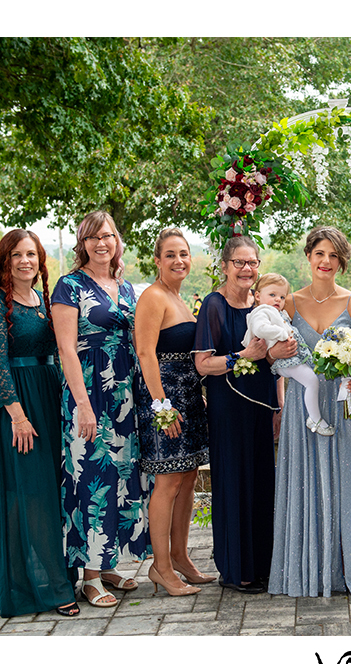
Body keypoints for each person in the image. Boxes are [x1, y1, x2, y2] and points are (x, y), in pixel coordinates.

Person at [268, 227, 351, 598]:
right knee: (302, 478)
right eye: (319, 254)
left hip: (339, 404)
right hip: (301, 405)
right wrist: (279, 403)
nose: (326, 262)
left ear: (342, 262)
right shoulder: (289, 304)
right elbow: (275, 355)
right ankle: (302, 566)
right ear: (309, 257)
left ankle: (345, 565)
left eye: (333, 256)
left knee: (341, 477)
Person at [0, 229, 79, 618]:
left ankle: (49, 577)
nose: (25, 261)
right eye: (17, 255)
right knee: (28, 492)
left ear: (40, 260)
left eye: (32, 254)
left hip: (46, 396)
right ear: (5, 260)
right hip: (14, 405)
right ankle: (47, 588)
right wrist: (17, 415)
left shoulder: (40, 300)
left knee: (48, 491)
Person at [52, 211, 150, 608]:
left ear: (117, 241)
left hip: (124, 394)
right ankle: (89, 577)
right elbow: (66, 349)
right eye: (92, 237)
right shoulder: (69, 286)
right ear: (82, 244)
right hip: (89, 393)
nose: (101, 243)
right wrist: (83, 405)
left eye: (107, 236)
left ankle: (107, 562)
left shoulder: (125, 287)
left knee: (123, 476)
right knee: (91, 477)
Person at [194, 236, 291, 593]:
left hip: (262, 406)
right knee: (235, 484)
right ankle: (236, 569)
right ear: (224, 266)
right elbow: (203, 364)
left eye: (252, 263)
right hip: (229, 407)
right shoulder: (214, 306)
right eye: (239, 262)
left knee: (263, 483)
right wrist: (242, 356)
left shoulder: (262, 305)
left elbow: (271, 362)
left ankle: (264, 565)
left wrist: (278, 404)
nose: (247, 269)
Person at [134, 227, 210, 597]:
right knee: (167, 482)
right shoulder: (153, 296)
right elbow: (146, 353)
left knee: (188, 478)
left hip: (190, 396)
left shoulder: (179, 298)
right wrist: (161, 405)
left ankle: (180, 557)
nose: (179, 260)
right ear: (157, 260)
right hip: (165, 400)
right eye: (170, 255)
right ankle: (160, 567)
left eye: (184, 254)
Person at [243, 272, 334, 436]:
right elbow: (260, 329)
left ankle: (314, 416)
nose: (278, 300)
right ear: (257, 296)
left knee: (313, 378)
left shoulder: (277, 312)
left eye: (282, 297)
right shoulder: (261, 312)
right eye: (272, 295)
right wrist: (283, 334)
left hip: (290, 358)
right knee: (312, 381)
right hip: (284, 361)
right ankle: (315, 419)